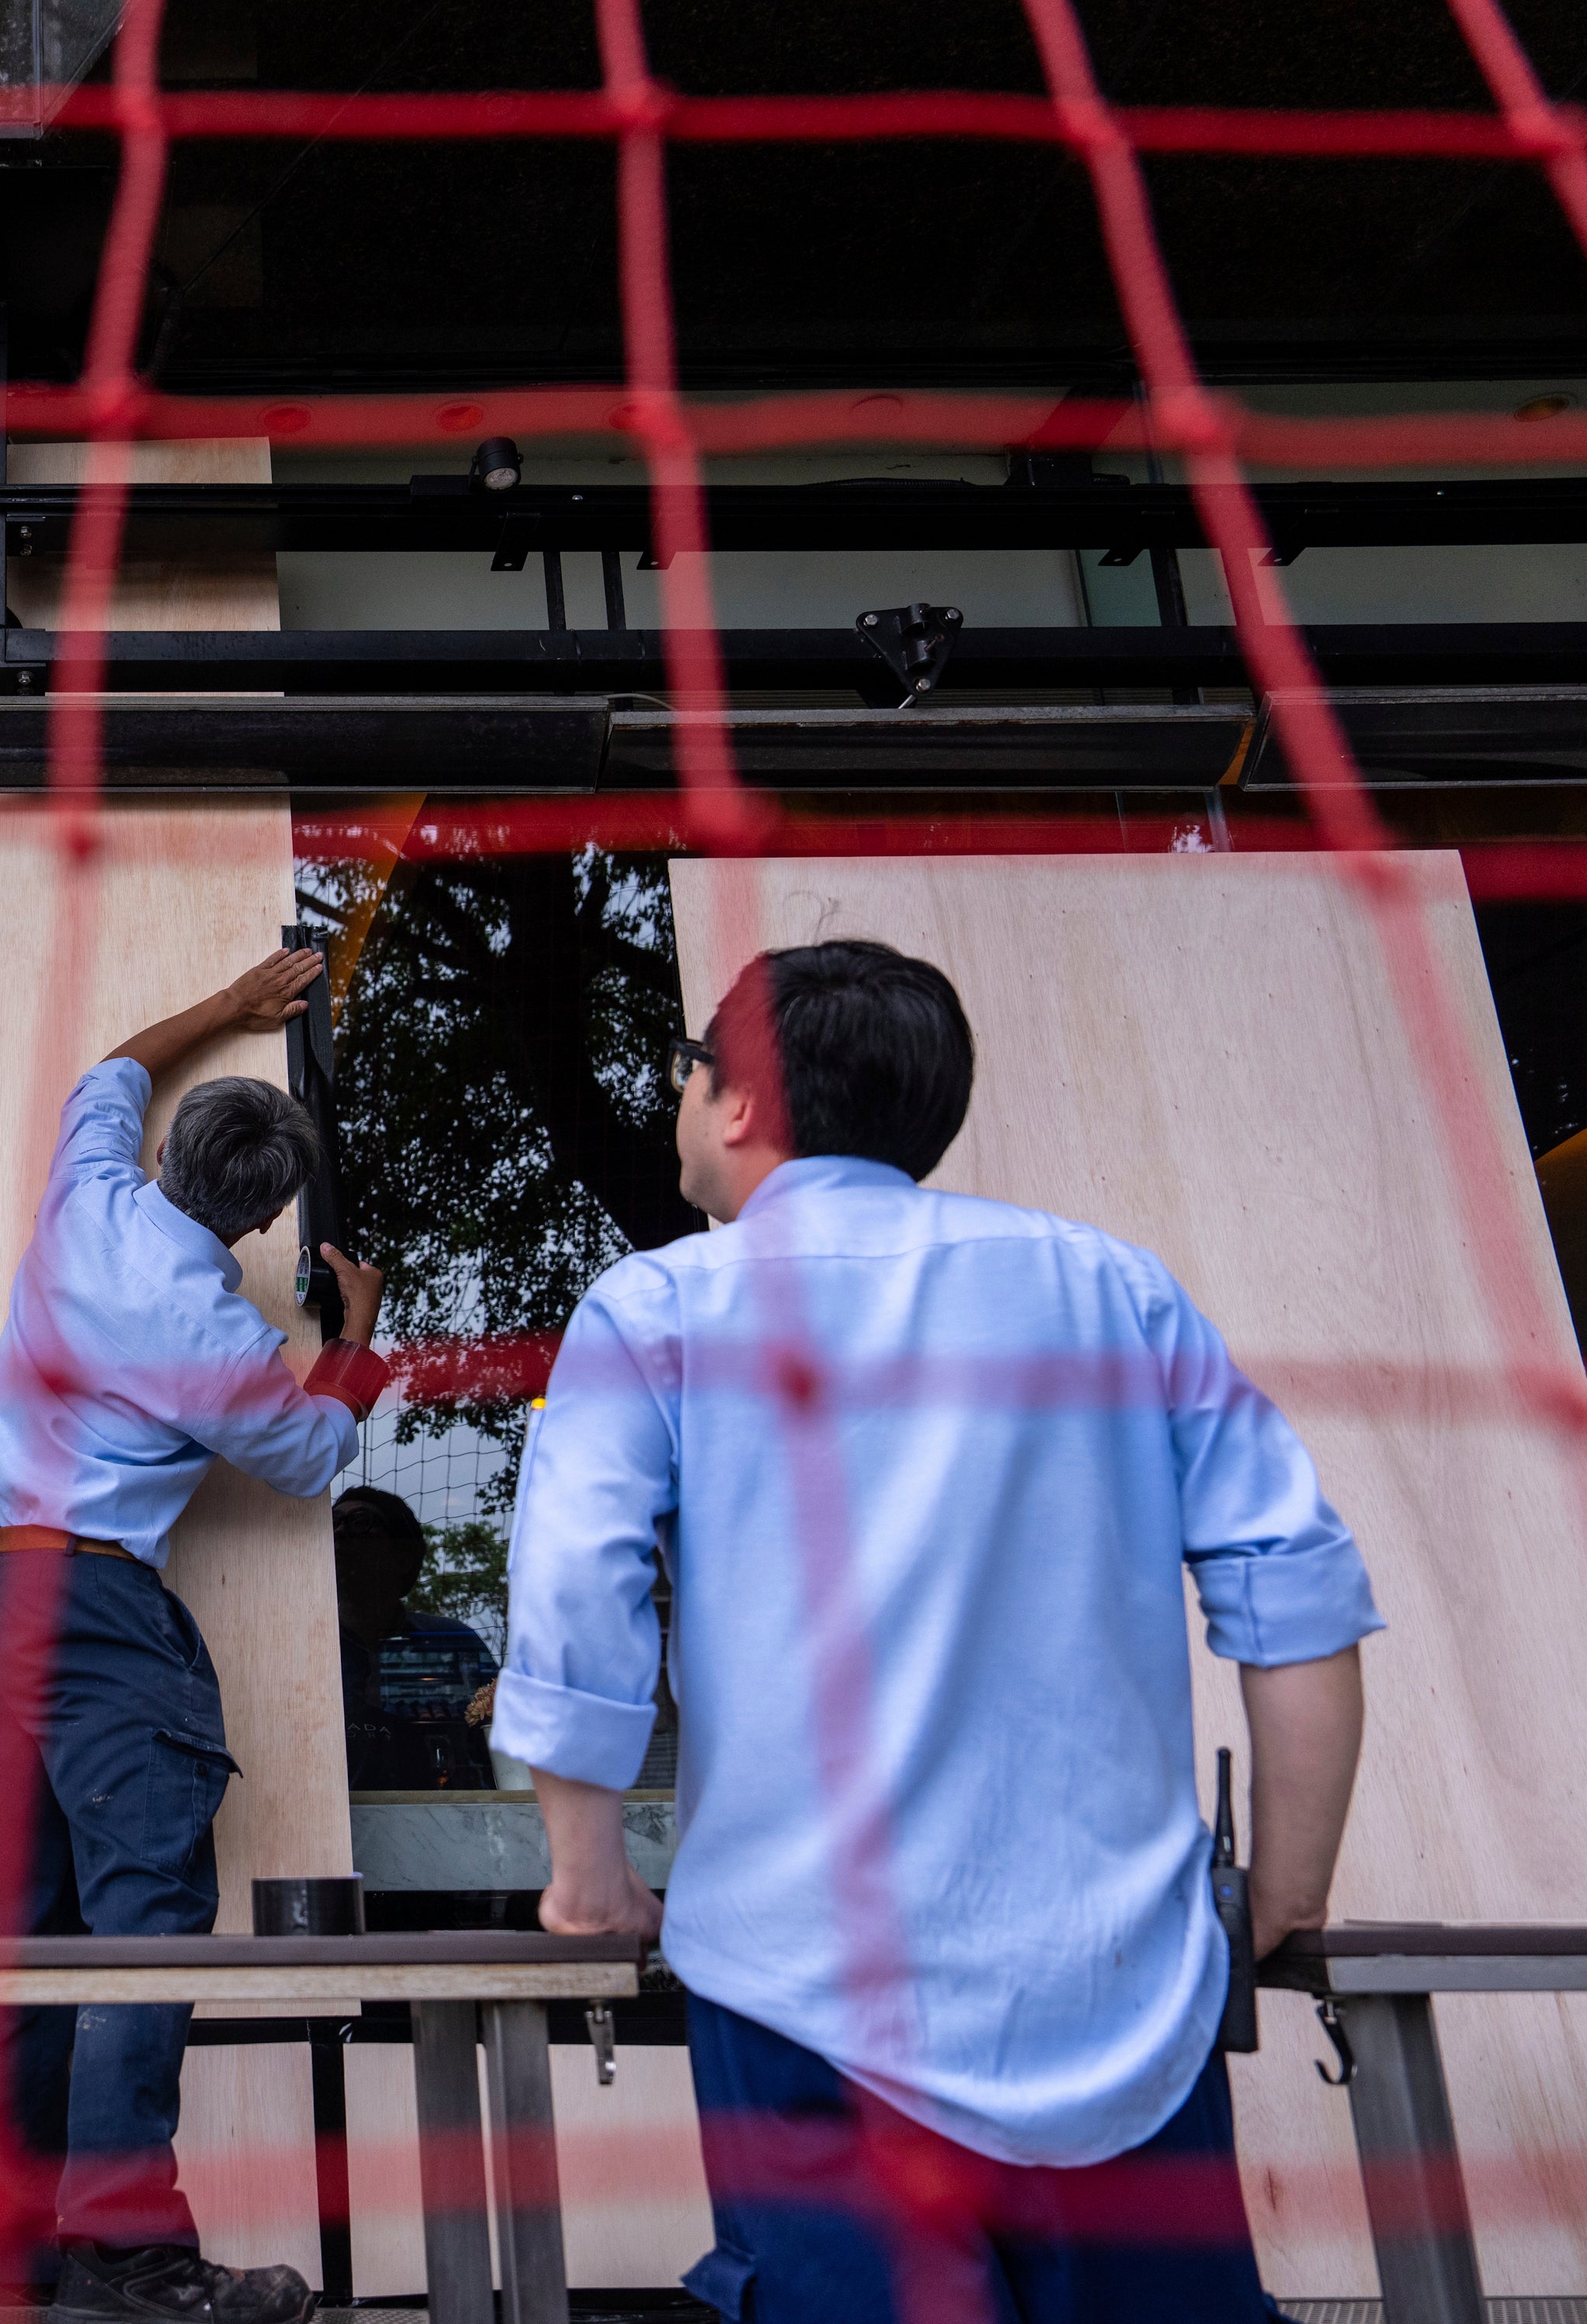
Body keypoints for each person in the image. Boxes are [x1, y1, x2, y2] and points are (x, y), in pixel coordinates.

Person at [499, 939, 1379, 2324]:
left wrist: (587, 1878)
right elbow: (1297, 1591)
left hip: (805, 2006)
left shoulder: (662, 1309)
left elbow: (575, 1603)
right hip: (1126, 2002)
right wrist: (1286, 1893)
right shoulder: (1113, 1291)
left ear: (737, 1104)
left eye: (687, 1074)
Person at [0, 947, 390, 2324]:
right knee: (145, 1925)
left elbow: (110, 1076)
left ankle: (16, 2272)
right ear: (261, 1229)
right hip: (95, 1613)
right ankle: (132, 2257)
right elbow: (316, 1456)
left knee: (7, 1942)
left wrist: (234, 1006)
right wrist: (357, 1339)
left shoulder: (86, 1196)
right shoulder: (214, 1335)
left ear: (167, 1155)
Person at [330, 1486, 497, 1793]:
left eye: (360, 1522)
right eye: (332, 1522)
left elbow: (500, 1756)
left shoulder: (453, 1645)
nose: (339, 1533)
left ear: (403, 1556)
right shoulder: (304, 1648)